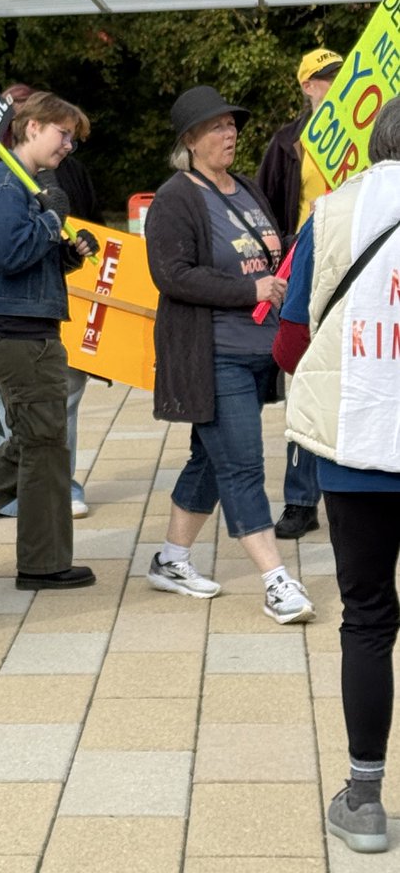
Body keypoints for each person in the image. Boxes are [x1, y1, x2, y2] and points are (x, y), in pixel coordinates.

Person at [273, 96, 400, 854]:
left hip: (356, 451)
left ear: (375, 144)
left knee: (367, 618)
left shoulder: (333, 212)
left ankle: (364, 797)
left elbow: (291, 340)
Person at [143, 84, 315, 624]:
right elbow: (172, 275)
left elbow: (268, 250)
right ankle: (275, 582)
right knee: (241, 464)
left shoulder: (243, 188)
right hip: (212, 355)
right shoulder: (176, 198)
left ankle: (171, 559)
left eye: (232, 124)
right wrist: (252, 291)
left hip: (256, 353)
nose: (230, 133)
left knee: (209, 459)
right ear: (191, 139)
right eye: (217, 126)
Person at [0, 92, 99, 591]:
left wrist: (68, 253)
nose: (68, 145)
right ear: (30, 128)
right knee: (45, 444)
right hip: (16, 334)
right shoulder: (5, 186)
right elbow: (7, 256)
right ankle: (41, 563)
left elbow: (24, 262)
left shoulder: (25, 186)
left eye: (72, 137)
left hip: (27, 325)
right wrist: (51, 221)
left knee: (36, 440)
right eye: (62, 133)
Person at [258, 47, 344, 540]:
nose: (333, 83)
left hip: (355, 256)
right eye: (324, 78)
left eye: (338, 75)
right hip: (306, 263)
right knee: (305, 379)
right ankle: (300, 499)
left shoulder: (370, 135)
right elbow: (269, 203)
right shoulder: (288, 141)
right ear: (307, 86)